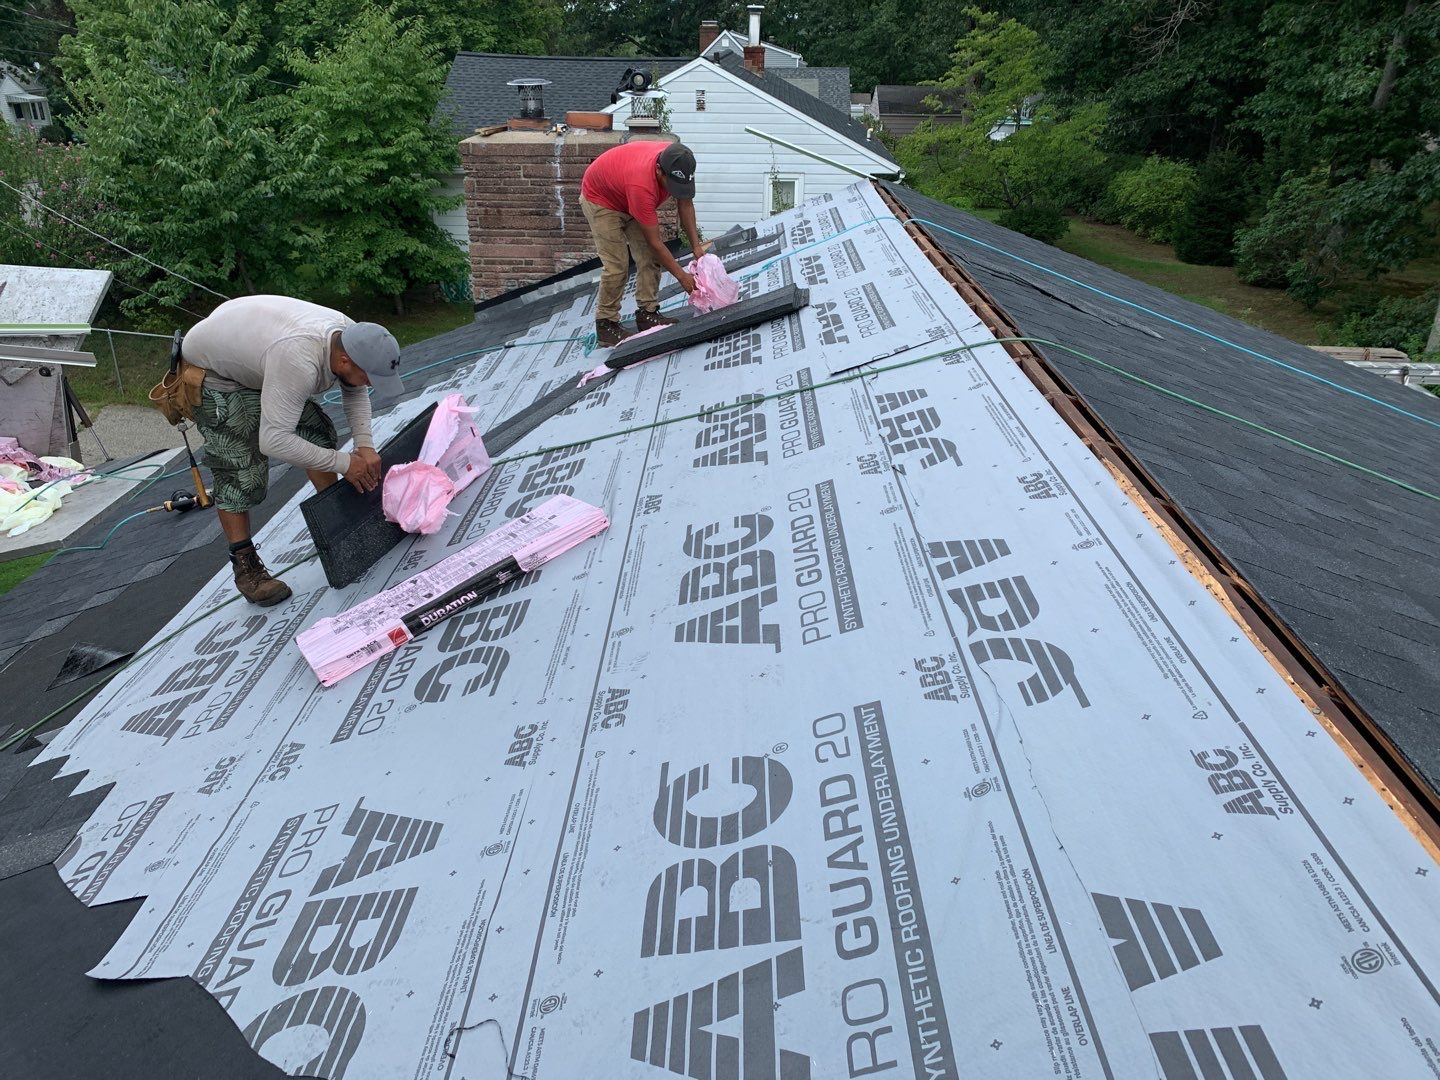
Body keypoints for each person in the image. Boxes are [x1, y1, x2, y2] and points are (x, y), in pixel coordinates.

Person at [180, 295, 403, 606]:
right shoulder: (299, 358)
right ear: (343, 361)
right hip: (214, 373)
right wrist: (345, 463)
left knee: (317, 434)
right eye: (368, 376)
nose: (369, 383)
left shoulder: (353, 336)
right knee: (241, 468)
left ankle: (337, 523)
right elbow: (273, 440)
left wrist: (364, 445)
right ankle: (245, 566)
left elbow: (354, 389)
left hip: (255, 350)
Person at [580, 139, 711, 348]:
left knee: (648, 258)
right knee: (617, 266)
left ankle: (647, 315)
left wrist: (697, 247)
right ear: (659, 171)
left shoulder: (678, 160)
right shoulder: (641, 185)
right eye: (673, 185)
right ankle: (606, 325)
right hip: (601, 199)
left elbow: (685, 204)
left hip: (626, 191)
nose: (676, 190)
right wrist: (682, 277)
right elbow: (655, 242)